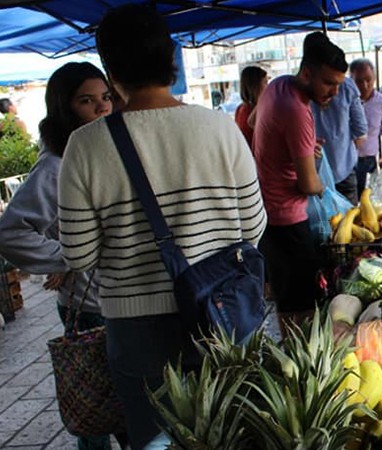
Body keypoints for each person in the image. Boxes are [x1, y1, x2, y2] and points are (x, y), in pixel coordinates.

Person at [57, 5, 266, 449]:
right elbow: (253, 225)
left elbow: (78, 255)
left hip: (136, 333)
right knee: (235, 432)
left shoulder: (86, 145)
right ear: (171, 57)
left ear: (110, 69)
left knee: (154, 439)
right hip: (223, 316)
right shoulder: (219, 129)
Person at [0, 62, 126, 450]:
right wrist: (72, 255)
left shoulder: (106, 148)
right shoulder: (57, 164)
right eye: (87, 101)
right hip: (90, 307)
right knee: (94, 415)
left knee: (126, 409)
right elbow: (12, 231)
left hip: (119, 301)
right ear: (65, 107)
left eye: (105, 98)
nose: (101, 108)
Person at [253, 31, 339, 328]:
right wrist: (324, 187)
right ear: (306, 73)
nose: (334, 92)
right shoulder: (297, 111)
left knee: (286, 299)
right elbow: (308, 185)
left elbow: (255, 123)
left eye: (338, 85)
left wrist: (294, 149)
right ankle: (298, 369)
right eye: (328, 83)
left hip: (267, 215)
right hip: (289, 222)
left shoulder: (277, 86)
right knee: (302, 310)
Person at [312, 72, 367, 205]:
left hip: (314, 172)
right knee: (350, 220)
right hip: (344, 168)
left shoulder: (304, 87)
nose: (335, 92)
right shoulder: (347, 86)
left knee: (323, 220)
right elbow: (361, 130)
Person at [351, 58, 382, 197]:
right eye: (359, 81)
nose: (364, 85)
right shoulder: (344, 102)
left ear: (375, 78)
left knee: (368, 202)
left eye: (368, 80)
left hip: (369, 162)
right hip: (347, 164)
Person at [234, 65, 268, 150]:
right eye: (265, 82)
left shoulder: (240, 109)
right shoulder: (256, 111)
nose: (268, 87)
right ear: (255, 86)